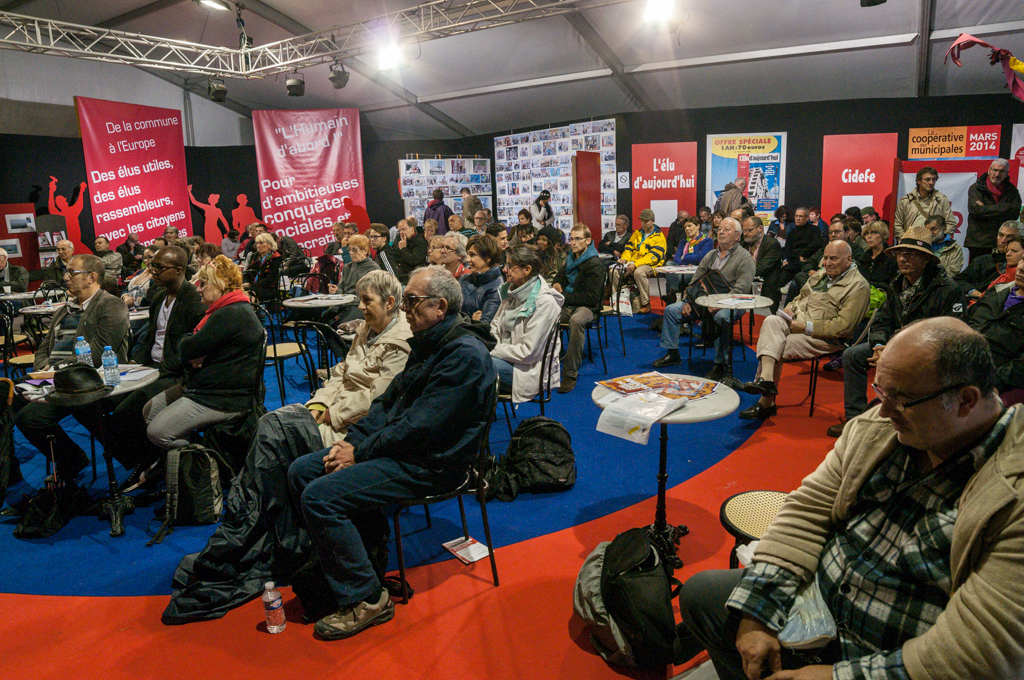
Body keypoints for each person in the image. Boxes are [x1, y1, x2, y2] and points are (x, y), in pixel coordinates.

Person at [678, 317, 1024, 680]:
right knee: (703, 595)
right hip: (821, 608)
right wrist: (758, 611)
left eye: (901, 400)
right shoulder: (882, 426)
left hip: (895, 656)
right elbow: (808, 509)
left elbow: (980, 653)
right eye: (880, 392)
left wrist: (834, 676)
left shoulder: (1010, 491)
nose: (883, 410)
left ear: (966, 400)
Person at [288, 265, 496, 641]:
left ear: (439, 306)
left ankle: (367, 598)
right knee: (304, 470)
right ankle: (363, 564)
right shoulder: (429, 340)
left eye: (412, 302)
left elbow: (421, 427)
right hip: (407, 452)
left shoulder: (462, 355)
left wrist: (361, 450)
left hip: (435, 464)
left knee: (319, 496)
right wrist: (353, 442)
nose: (404, 309)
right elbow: (387, 404)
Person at [828, 225, 966, 437]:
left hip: (927, 353)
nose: (902, 259)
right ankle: (854, 419)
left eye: (910, 254)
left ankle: (903, 422)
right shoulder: (897, 284)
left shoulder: (947, 289)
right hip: (893, 344)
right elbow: (882, 320)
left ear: (926, 259)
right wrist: (879, 346)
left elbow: (950, 335)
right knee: (851, 355)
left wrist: (901, 349)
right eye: (900, 253)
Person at [15, 254, 129, 478]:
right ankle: (9, 472)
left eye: (72, 273)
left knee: (31, 418)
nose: (66, 277)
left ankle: (71, 459)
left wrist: (55, 371)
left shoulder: (110, 305)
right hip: (54, 377)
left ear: (91, 277)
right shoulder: (63, 310)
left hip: (86, 381)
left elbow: (97, 355)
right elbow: (43, 348)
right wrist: (42, 369)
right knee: (6, 396)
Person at [144, 255, 263, 451]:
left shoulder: (230, 313)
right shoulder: (224, 310)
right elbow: (189, 348)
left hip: (224, 397)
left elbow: (185, 348)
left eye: (204, 283)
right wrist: (194, 350)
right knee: (151, 410)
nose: (198, 288)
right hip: (207, 386)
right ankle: (176, 462)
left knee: (157, 433)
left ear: (222, 284)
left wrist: (193, 350)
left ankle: (203, 461)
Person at [739, 241, 870, 419]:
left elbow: (843, 326)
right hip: (796, 324)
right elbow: (798, 297)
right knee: (771, 320)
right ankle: (767, 380)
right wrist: (790, 308)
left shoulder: (858, 286)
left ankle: (766, 402)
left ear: (849, 259)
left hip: (825, 338)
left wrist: (806, 327)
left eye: (834, 258)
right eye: (825, 258)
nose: (828, 263)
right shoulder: (820, 276)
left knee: (775, 345)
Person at [113, 245, 206, 477]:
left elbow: (191, 349)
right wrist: (134, 363)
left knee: (126, 412)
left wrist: (159, 370)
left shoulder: (194, 300)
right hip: (153, 368)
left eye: (158, 267)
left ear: (178, 270)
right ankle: (146, 459)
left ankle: (152, 463)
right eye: (151, 266)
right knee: (108, 404)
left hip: (177, 373)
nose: (152, 271)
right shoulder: (158, 298)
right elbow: (150, 339)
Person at [653, 218, 754, 382]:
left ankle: (720, 363)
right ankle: (672, 353)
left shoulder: (744, 258)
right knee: (672, 310)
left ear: (737, 236)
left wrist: (718, 304)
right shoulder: (711, 255)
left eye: (726, 229)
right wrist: (688, 301)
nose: (721, 232)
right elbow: (694, 281)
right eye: (720, 229)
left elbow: (741, 290)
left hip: (733, 303)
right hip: (702, 301)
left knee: (721, 317)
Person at [490, 244, 563, 402]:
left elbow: (527, 353)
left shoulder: (545, 303)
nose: (505, 270)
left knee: (474, 364)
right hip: (504, 358)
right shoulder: (511, 291)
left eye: (510, 265)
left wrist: (491, 348)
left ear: (527, 270)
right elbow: (494, 327)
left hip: (526, 371)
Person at [552, 223, 605, 394]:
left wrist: (563, 295)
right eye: (571, 239)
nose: (573, 242)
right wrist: (557, 284)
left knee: (576, 321)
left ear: (588, 241)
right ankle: (550, 359)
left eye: (578, 239)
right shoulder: (571, 258)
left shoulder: (594, 263)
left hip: (588, 307)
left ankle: (570, 373)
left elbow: (591, 298)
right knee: (548, 315)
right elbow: (560, 275)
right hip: (570, 302)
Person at [969, 263, 1024, 393]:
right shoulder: (996, 291)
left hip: (996, 381)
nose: (1021, 268)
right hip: (960, 361)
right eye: (1022, 259)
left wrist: (997, 382)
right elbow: (966, 319)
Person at [610, 208, 666, 314]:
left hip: (652, 265)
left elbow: (653, 257)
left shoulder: (659, 237)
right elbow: (628, 249)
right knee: (614, 270)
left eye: (647, 221)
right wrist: (624, 259)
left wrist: (635, 264)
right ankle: (616, 301)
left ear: (653, 221)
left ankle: (646, 304)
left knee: (639, 272)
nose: (644, 223)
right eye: (642, 221)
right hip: (632, 263)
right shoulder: (637, 234)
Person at [965, 158, 1022, 261]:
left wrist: (985, 209)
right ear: (989, 170)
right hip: (979, 242)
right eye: (995, 170)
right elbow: (976, 211)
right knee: (977, 273)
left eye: (1001, 171)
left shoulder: (1012, 191)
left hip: (1003, 243)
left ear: (1006, 173)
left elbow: (1014, 214)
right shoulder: (976, 188)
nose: (997, 174)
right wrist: (1004, 207)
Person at [955, 220, 1024, 300]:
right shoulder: (982, 260)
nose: (1003, 240)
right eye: (1001, 235)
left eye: (1009, 237)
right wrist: (974, 292)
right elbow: (959, 279)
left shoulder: (1019, 270)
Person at [322, 234, 379, 326]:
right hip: (345, 304)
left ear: (365, 251)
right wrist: (336, 290)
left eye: (355, 250)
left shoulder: (373, 269)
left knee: (340, 324)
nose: (351, 253)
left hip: (360, 306)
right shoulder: (347, 267)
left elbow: (370, 297)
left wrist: (347, 300)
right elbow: (341, 288)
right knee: (323, 317)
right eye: (350, 250)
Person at [893, 166, 955, 239]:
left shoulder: (941, 199)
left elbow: (951, 223)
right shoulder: (906, 201)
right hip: (911, 244)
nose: (931, 182)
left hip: (934, 246)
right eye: (927, 179)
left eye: (934, 180)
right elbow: (897, 225)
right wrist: (905, 241)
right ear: (918, 181)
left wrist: (939, 240)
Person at [740, 215, 783, 312]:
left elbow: (761, 269)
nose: (745, 234)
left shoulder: (772, 244)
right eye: (744, 231)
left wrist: (741, 272)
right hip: (745, 289)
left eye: (749, 230)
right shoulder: (743, 244)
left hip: (766, 291)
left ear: (760, 228)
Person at [460, 234, 503, 324]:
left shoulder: (498, 288)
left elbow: (484, 326)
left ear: (488, 258)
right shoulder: (464, 279)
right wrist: (470, 320)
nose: (468, 259)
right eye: (468, 254)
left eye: (472, 255)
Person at [779, 207, 824, 285]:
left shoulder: (814, 230)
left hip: (806, 261)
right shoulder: (792, 233)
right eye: (796, 216)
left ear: (807, 218)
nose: (798, 218)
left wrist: (803, 254)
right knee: (778, 280)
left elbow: (816, 243)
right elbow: (787, 248)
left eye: (801, 216)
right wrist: (784, 260)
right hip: (792, 262)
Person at [857, 220, 898, 289]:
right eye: (866, 234)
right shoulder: (863, 259)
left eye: (873, 233)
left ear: (883, 235)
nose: (869, 237)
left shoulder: (892, 256)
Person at [243, 232, 282, 304]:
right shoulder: (254, 256)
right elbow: (248, 272)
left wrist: (252, 286)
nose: (258, 246)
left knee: (249, 295)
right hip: (254, 286)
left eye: (261, 243)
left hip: (268, 288)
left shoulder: (276, 258)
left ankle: (256, 312)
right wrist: (246, 282)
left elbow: (271, 279)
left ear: (270, 245)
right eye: (257, 243)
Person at [393, 218, 428, 283]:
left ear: (412, 229)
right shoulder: (398, 239)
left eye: (403, 229)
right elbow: (394, 256)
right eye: (399, 230)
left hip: (413, 278)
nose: (401, 232)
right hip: (399, 276)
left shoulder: (421, 242)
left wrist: (403, 248)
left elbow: (413, 260)